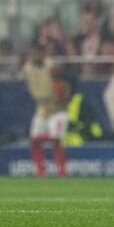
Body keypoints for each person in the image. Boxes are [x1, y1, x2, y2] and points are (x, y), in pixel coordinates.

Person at [22, 43, 70, 177]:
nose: (35, 56)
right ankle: (40, 170)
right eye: (33, 53)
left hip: (56, 107)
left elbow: (63, 82)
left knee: (56, 138)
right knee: (34, 140)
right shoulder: (27, 68)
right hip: (41, 108)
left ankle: (62, 171)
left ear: (43, 54)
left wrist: (62, 97)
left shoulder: (51, 66)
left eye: (38, 53)